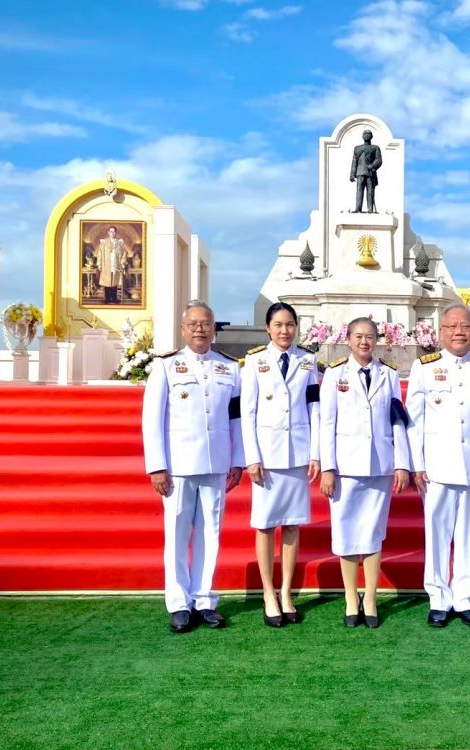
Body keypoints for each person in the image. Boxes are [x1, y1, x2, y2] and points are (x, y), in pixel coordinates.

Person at [142, 300, 245, 633]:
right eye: (194, 324)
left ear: (214, 329)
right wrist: (157, 466)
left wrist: (238, 460)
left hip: (216, 463)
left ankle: (204, 600)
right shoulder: (166, 366)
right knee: (177, 533)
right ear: (183, 329)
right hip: (179, 465)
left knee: (210, 533)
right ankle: (178, 603)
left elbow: (236, 418)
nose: (200, 329)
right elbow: (152, 420)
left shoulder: (230, 367)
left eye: (206, 324)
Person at [406, 303, 470, 628]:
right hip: (436, 465)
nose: (459, 332)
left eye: (464, 326)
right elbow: (413, 422)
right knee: (437, 535)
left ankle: (464, 599)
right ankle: (438, 599)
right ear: (441, 333)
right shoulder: (424, 368)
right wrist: (416, 464)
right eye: (452, 327)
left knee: (467, 536)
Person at [319, 317, 411, 628]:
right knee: (345, 532)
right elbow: (326, 423)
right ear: (348, 339)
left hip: (379, 463)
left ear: (377, 340)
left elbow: (398, 420)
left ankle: (370, 597)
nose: (364, 342)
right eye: (358, 336)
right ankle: (350, 597)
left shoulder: (389, 374)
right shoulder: (335, 374)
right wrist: (328, 467)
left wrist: (401, 462)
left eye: (370, 336)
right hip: (345, 466)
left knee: (373, 531)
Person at [242, 302, 321, 627]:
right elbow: (247, 412)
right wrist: (251, 457)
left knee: (291, 524)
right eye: (278, 325)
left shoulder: (308, 360)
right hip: (267, 456)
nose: (284, 331)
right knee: (264, 525)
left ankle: (286, 591)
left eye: (289, 325)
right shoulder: (255, 360)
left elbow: (315, 407)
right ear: (267, 328)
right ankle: (268, 592)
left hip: (297, 454)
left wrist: (316, 453)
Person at [350, 129, 382, 213]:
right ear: (362, 136)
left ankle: (370, 209)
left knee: (370, 191)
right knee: (359, 190)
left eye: (368, 134)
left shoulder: (375, 148)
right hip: (360, 172)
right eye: (365, 134)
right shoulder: (357, 148)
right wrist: (352, 174)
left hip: (370, 172)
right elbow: (354, 162)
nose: (366, 136)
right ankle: (358, 208)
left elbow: (378, 160)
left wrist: (372, 166)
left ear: (371, 136)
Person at [96, 226, 126, 304]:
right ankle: (107, 299)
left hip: (116, 265)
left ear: (115, 233)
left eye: (114, 231)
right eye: (111, 231)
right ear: (108, 232)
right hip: (106, 265)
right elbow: (100, 253)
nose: (112, 233)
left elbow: (124, 253)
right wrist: (99, 263)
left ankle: (114, 299)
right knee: (107, 282)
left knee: (114, 282)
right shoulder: (104, 242)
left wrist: (122, 262)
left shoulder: (119, 242)